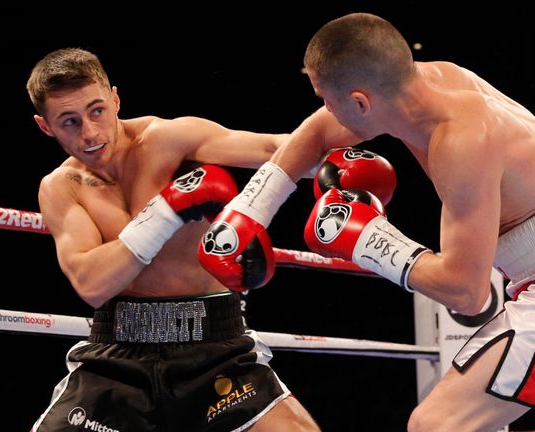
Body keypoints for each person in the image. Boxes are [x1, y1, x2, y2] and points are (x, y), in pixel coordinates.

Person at [199, 13, 535, 432]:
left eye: (325, 97)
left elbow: (467, 293)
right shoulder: (429, 81)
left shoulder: (462, 141)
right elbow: (318, 131)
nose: (324, 110)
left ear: (360, 102)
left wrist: (369, 240)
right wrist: (250, 209)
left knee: (437, 424)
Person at [26, 48, 320, 432]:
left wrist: (337, 163)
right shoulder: (62, 187)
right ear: (45, 126)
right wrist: (168, 210)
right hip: (116, 358)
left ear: (115, 99)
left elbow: (275, 149)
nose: (90, 133)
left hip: (215, 347)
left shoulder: (168, 139)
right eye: (69, 122)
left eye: (97, 111)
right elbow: (92, 283)